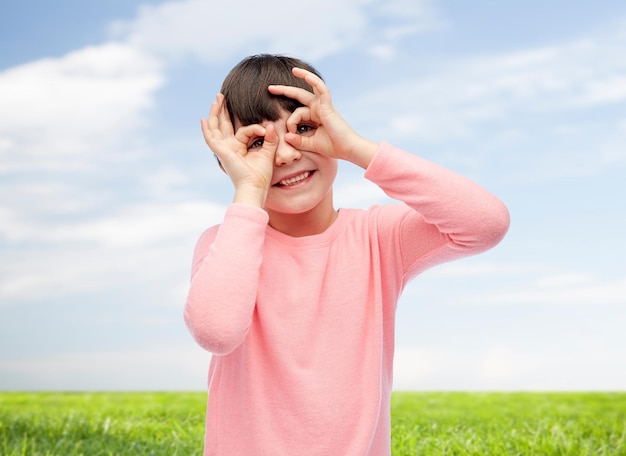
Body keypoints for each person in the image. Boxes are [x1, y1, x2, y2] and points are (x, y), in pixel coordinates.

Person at [184, 54, 510, 455]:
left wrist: (357, 149)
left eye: (303, 128)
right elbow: (216, 331)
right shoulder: (225, 242)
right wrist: (249, 189)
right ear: (227, 162)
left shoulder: (378, 237)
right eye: (256, 143)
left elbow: (486, 223)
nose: (285, 155)